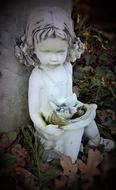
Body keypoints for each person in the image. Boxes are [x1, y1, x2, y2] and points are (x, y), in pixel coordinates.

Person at [15, 6, 115, 163]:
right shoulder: (37, 76)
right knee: (75, 132)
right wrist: (44, 127)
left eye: (60, 52)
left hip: (68, 113)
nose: (54, 58)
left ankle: (96, 143)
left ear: (69, 47)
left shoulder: (67, 67)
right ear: (33, 49)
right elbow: (34, 111)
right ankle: (70, 162)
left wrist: (79, 108)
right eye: (46, 51)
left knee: (89, 121)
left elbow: (68, 96)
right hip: (49, 122)